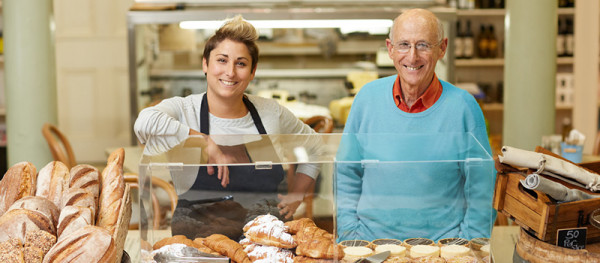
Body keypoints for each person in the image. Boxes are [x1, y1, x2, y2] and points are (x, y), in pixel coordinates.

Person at [134, 15, 320, 239]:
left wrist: (297, 194)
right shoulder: (185, 109)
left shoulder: (271, 112)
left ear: (252, 72)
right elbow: (143, 123)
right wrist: (204, 142)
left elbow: (316, 145)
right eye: (221, 60)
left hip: (266, 244)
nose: (230, 72)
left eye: (241, 63)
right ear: (205, 63)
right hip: (199, 246)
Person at [336, 8, 495, 242]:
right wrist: (350, 234)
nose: (412, 57)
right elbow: (346, 173)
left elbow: (482, 189)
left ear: (442, 48)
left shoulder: (464, 107)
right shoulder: (366, 99)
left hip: (443, 248)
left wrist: (465, 245)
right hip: (370, 245)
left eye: (423, 45)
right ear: (390, 49)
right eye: (403, 45)